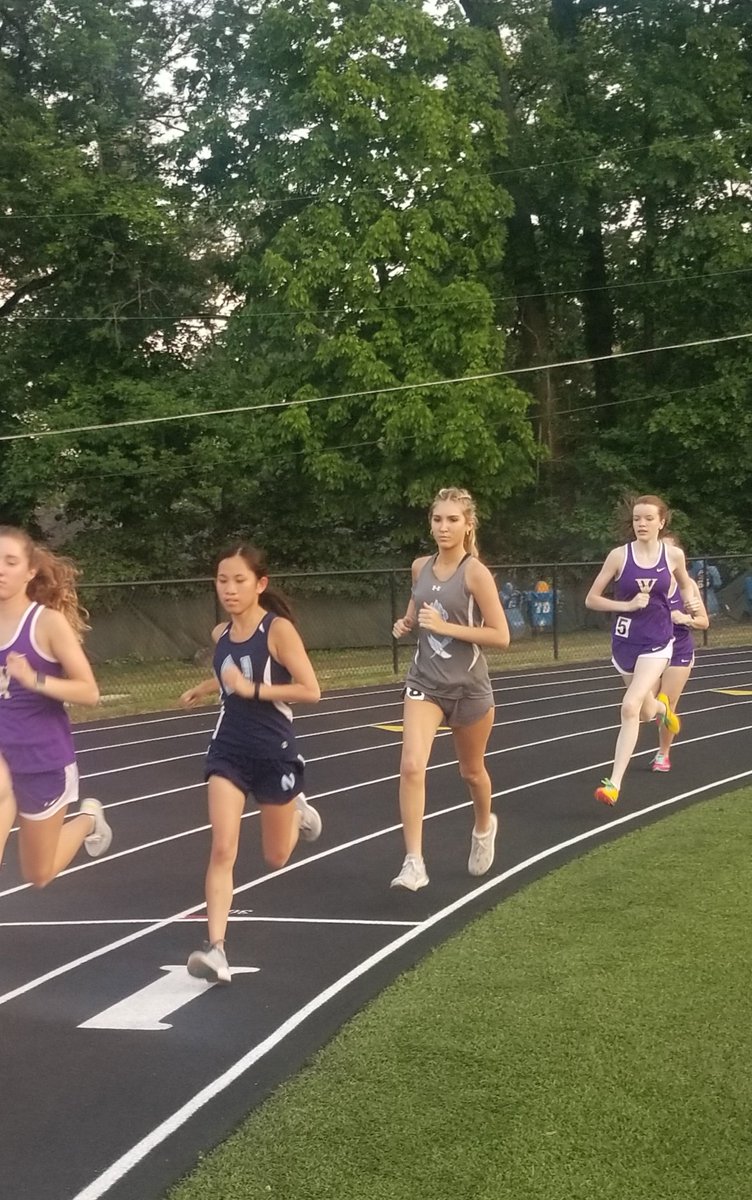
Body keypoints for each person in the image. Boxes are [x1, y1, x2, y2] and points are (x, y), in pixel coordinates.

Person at [180, 543, 322, 984]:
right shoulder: (220, 634)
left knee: (276, 857)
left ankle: (296, 807)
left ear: (260, 584)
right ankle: (216, 948)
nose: (229, 588)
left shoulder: (277, 631)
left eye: (239, 580)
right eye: (222, 580)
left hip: (273, 751)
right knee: (223, 847)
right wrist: (208, 688)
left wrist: (253, 690)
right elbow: (230, 672)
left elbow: (310, 689)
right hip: (228, 750)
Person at [390, 487, 510, 891]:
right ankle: (414, 862)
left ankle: (482, 827)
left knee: (472, 772)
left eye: (452, 520)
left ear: (467, 525)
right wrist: (405, 624)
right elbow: (417, 610)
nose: (444, 527)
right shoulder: (419, 566)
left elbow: (501, 635)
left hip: (470, 688)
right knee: (411, 766)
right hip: (425, 682)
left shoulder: (475, 572)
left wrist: (445, 628)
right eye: (438, 519)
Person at [0, 527, 111, 886]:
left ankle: (89, 819)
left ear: (30, 571)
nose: (0, 569)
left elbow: (89, 691)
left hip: (42, 761)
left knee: (39, 873)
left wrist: (34, 680)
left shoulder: (46, 623)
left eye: (10, 561)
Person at [584, 495, 698, 806]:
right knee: (647, 710)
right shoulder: (618, 557)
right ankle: (664, 709)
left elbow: (686, 584)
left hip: (658, 642)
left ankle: (613, 784)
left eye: (648, 518)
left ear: (662, 522)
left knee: (630, 706)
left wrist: (690, 602)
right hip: (624, 644)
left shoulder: (672, 555)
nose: (642, 524)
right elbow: (591, 599)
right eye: (637, 519)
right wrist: (627, 605)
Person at [651, 534, 709, 772]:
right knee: (648, 706)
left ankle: (663, 753)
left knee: (669, 701)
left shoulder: (688, 586)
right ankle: (663, 713)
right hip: (651, 649)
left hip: (679, 649)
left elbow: (703, 622)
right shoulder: (648, 583)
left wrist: (686, 618)